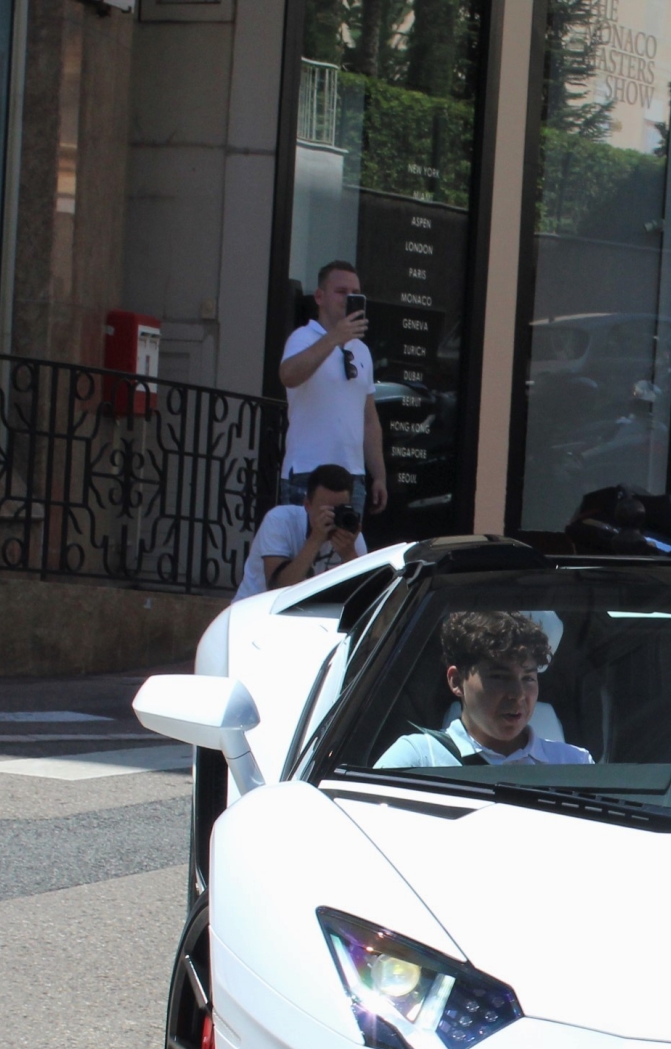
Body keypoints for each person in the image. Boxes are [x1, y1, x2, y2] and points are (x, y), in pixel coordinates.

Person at [378, 611, 593, 767]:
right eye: (499, 677)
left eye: (528, 678)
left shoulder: (575, 763)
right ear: (456, 681)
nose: (517, 694)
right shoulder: (417, 758)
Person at [279, 261, 388, 517]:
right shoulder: (302, 338)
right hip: (308, 472)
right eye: (341, 291)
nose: (349, 298)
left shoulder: (362, 350)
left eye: (355, 293)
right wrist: (333, 339)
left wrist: (379, 475)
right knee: (305, 551)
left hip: (352, 477)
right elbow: (289, 376)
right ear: (320, 296)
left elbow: (369, 419)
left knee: (348, 555)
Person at [235, 464, 368, 601]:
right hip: (258, 611)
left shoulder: (352, 538)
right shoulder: (280, 520)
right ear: (307, 505)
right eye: (326, 510)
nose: (332, 516)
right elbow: (277, 588)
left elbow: (365, 598)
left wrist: (349, 556)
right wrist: (315, 540)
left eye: (339, 510)